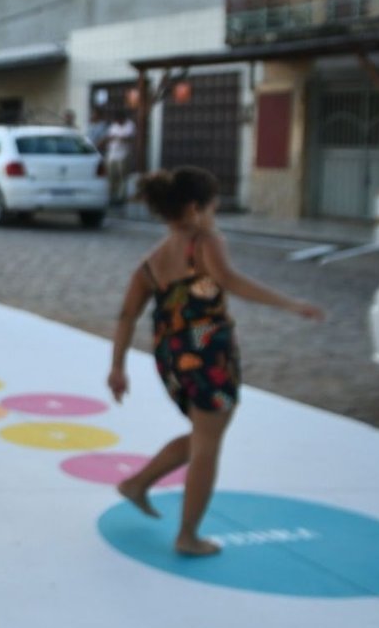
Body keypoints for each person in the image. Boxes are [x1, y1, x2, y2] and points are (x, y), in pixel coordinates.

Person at [107, 167, 323, 557]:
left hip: (172, 357)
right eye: (213, 207)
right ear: (195, 208)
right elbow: (231, 280)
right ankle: (188, 536)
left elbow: (127, 315)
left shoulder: (151, 262)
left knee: (203, 435)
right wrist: (290, 303)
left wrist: (117, 366)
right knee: (207, 446)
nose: (215, 214)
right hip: (208, 356)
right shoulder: (205, 242)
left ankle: (137, 484)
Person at [104, 109, 136, 205]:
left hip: (123, 154)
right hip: (112, 154)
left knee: (122, 176)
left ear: (122, 118)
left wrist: (117, 138)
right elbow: (109, 137)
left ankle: (121, 197)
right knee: (111, 177)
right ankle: (112, 196)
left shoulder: (130, 125)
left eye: (118, 120)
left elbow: (128, 138)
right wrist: (117, 138)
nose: (117, 122)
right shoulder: (114, 126)